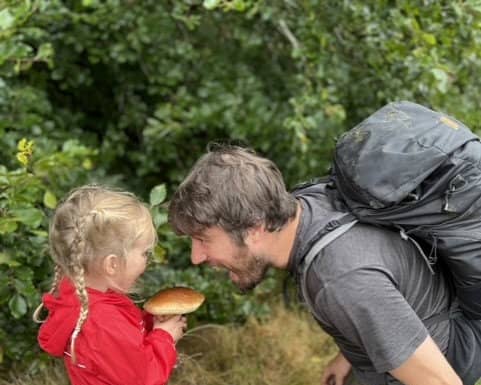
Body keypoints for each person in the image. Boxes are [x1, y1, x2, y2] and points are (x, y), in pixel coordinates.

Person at [168, 144, 481, 385]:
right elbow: (378, 291)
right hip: (415, 331)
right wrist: (348, 356)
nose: (196, 256)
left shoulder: (340, 279)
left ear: (254, 228)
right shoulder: (308, 205)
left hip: (445, 357)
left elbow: (441, 381)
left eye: (204, 239)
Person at [34, 185, 187, 385]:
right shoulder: (102, 323)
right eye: (144, 253)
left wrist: (151, 322)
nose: (148, 261)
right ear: (112, 264)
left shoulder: (85, 298)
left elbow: (123, 347)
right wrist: (164, 337)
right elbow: (143, 378)